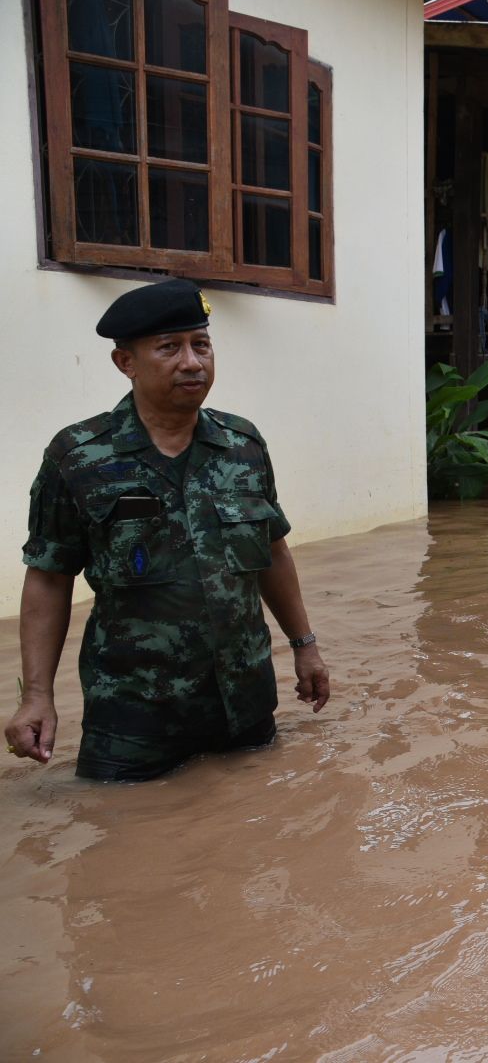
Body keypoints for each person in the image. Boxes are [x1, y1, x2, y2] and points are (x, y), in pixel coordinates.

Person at [4, 278, 331, 781]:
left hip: (243, 705)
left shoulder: (243, 445)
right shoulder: (78, 456)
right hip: (133, 718)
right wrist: (37, 697)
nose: (192, 362)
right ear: (126, 363)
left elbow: (273, 551)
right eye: (169, 348)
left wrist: (304, 645)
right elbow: (49, 577)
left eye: (201, 344)